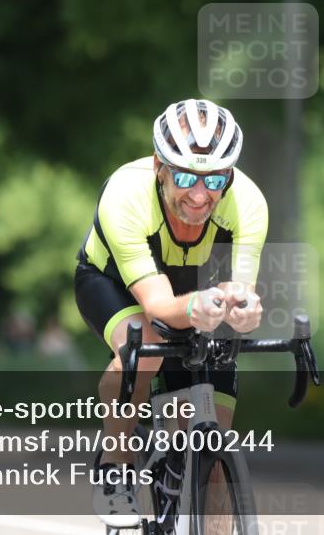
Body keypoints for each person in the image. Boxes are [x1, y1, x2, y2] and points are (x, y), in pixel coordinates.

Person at [75, 98, 267, 528]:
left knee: (214, 440)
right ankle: (116, 468)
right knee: (146, 345)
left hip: (198, 285)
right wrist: (201, 304)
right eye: (184, 177)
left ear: (230, 175)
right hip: (116, 284)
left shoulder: (249, 203)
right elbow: (160, 307)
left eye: (215, 180)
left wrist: (244, 310)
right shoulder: (125, 194)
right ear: (159, 166)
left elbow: (241, 289)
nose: (200, 196)